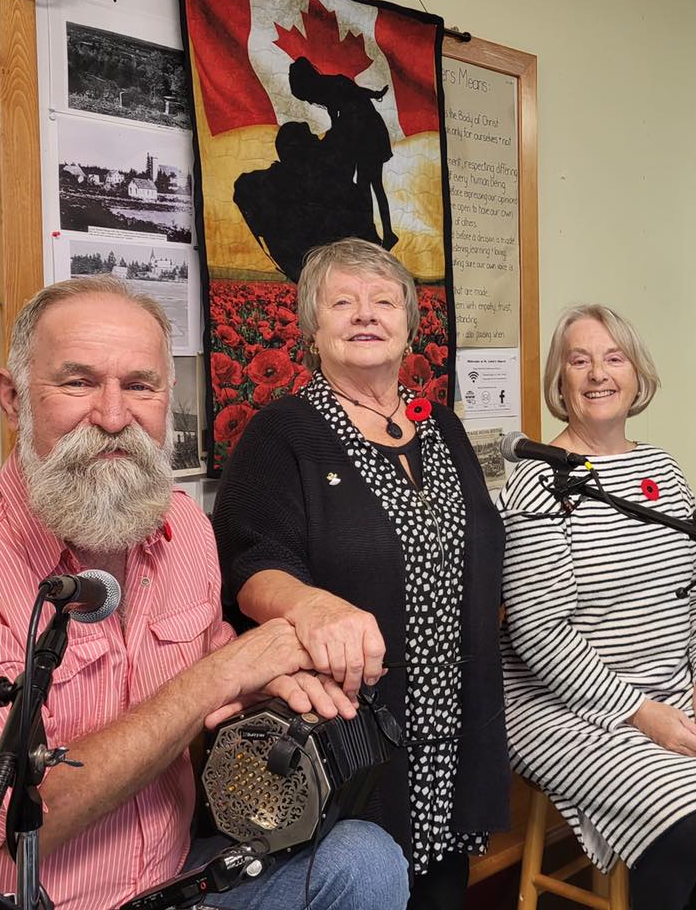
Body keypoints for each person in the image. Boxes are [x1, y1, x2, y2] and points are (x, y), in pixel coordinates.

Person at [0, 276, 407, 910]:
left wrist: (282, 680)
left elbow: (221, 681)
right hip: (11, 895)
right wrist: (228, 671)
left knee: (364, 859)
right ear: (13, 400)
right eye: (78, 382)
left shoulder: (184, 532)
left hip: (165, 884)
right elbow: (23, 818)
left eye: (141, 386)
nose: (114, 416)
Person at [212, 238, 509, 910]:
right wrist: (312, 607)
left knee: (442, 892)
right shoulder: (281, 433)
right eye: (342, 302)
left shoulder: (442, 429)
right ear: (312, 327)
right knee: (366, 883)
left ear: (408, 324)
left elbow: (479, 545)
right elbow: (250, 566)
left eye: (382, 301)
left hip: (456, 721)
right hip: (351, 733)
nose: (364, 314)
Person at [501, 304, 696, 910]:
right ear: (559, 382)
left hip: (671, 679)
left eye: (614, 358)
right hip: (562, 702)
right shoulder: (538, 481)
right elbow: (540, 635)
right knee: (685, 817)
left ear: (637, 375)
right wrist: (640, 713)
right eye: (579, 360)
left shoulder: (660, 468)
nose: (597, 374)